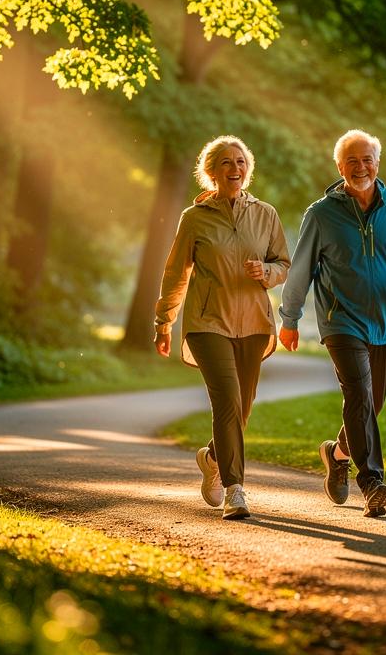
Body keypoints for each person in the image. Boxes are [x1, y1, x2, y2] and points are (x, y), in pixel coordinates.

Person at [278, 129, 386, 517]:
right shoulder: (320, 214)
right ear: (339, 167)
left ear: (378, 164)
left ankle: (337, 453)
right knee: (360, 395)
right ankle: (372, 483)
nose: (360, 167)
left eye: (367, 160)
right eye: (352, 161)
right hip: (340, 321)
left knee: (371, 403)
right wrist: (290, 318)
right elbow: (300, 271)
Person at [154, 135, 290, 520]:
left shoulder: (266, 214)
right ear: (211, 172)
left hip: (254, 322)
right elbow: (176, 273)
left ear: (248, 170)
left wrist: (266, 272)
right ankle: (235, 489)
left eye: (241, 162)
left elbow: (283, 264)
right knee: (227, 401)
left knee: (242, 408)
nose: (235, 168)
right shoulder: (194, 218)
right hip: (207, 322)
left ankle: (213, 457)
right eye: (226, 163)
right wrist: (164, 320)